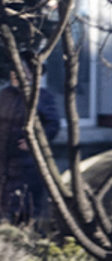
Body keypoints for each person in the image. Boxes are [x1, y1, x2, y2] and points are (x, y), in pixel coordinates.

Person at [0, 72, 61, 227]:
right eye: (12, 71)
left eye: (22, 70)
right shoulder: (4, 95)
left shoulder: (41, 96)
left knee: (24, 206)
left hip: (27, 163)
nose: (14, 75)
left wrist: (33, 141)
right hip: (3, 161)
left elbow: (52, 124)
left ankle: (25, 237)